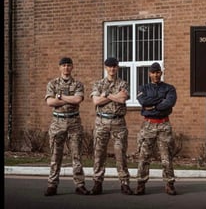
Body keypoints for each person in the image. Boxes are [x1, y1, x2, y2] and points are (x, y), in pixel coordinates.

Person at [44, 57, 90, 196]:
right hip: (57, 122)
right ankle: (52, 185)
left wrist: (60, 97)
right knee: (55, 156)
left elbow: (77, 100)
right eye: (63, 65)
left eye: (68, 65)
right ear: (60, 67)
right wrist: (66, 99)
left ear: (72, 67)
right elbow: (50, 102)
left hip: (74, 123)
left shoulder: (77, 84)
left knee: (76, 156)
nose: (66, 68)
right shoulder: (52, 83)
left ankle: (79, 185)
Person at [89, 57, 133, 195]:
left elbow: (123, 98)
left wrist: (106, 95)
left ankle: (124, 183)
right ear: (105, 67)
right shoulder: (98, 84)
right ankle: (97, 182)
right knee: (99, 153)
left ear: (117, 67)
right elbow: (96, 101)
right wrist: (114, 95)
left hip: (118, 123)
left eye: (114, 66)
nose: (112, 69)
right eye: (109, 66)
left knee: (120, 154)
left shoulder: (123, 83)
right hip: (101, 122)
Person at [134, 62, 178, 195]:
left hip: (164, 125)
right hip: (148, 125)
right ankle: (141, 184)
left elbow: (170, 102)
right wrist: (160, 101)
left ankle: (169, 184)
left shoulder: (169, 88)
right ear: (149, 74)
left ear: (161, 73)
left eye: (158, 72)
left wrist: (153, 106)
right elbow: (143, 102)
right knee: (144, 156)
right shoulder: (143, 88)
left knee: (167, 157)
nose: (156, 75)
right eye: (153, 72)